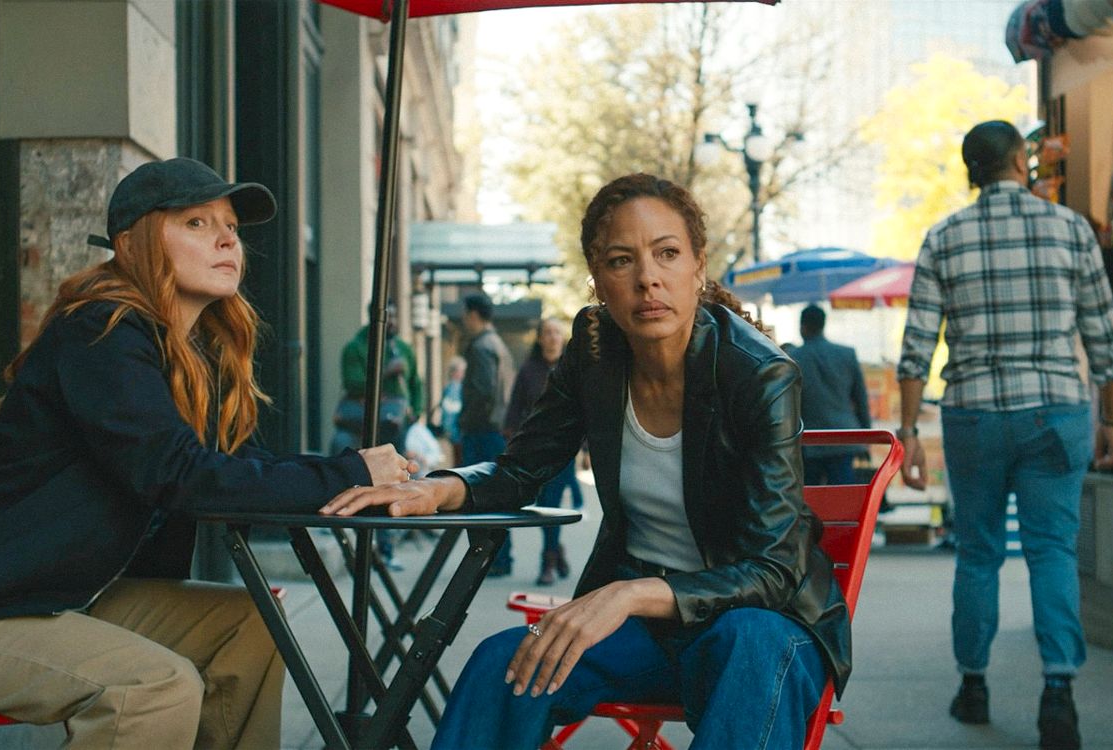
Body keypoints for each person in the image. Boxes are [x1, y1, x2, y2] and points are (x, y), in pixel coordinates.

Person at [0, 158, 412, 749]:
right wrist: (346, 471)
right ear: (134, 243)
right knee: (153, 687)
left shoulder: (192, 358)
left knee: (256, 625)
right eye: (197, 223)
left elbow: (246, 468)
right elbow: (178, 475)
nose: (228, 237)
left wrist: (364, 478)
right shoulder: (100, 334)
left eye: (230, 225)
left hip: (62, 598)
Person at [322, 174, 847, 750]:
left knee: (750, 643)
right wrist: (436, 489)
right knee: (504, 665)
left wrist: (626, 594)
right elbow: (522, 467)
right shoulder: (595, 352)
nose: (648, 277)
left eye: (668, 254)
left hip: (765, 625)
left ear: (698, 267)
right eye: (622, 260)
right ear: (598, 280)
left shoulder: (759, 375)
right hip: (649, 632)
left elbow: (772, 571)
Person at [896, 121, 1113, 750]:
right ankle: (1058, 695)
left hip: (973, 415)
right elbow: (1106, 342)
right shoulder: (1071, 228)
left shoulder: (944, 237)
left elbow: (916, 348)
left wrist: (909, 431)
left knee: (978, 554)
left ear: (972, 171)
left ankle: (973, 684)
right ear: (1022, 162)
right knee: (1053, 551)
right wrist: (1109, 419)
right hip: (1056, 410)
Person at [331, 301, 424, 570]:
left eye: (394, 315)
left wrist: (415, 410)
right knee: (359, 479)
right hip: (359, 427)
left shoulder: (403, 349)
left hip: (393, 427)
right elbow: (353, 382)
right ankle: (359, 545)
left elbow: (416, 382)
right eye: (386, 316)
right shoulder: (355, 347)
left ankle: (386, 547)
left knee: (393, 484)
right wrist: (386, 372)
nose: (391, 321)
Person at [506, 317, 585, 586]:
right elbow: (514, 411)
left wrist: (587, 449)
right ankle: (557, 551)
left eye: (557, 333)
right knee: (543, 506)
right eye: (548, 333)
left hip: (564, 450)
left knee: (551, 504)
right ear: (539, 339)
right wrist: (513, 446)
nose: (552, 338)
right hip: (534, 450)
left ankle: (547, 561)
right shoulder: (528, 370)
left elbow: (587, 411)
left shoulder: (574, 369)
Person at [458, 291, 516, 576]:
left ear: (472, 314)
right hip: (496, 429)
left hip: (482, 431)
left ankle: (487, 560)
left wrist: (464, 420)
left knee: (476, 498)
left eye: (464, 313)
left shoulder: (481, 346)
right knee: (498, 497)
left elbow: (481, 392)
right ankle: (501, 559)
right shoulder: (498, 344)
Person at [791, 304, 871, 486]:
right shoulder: (847, 354)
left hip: (809, 441)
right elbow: (861, 399)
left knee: (811, 499)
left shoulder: (793, 358)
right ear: (823, 325)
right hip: (844, 437)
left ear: (802, 326)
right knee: (842, 494)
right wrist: (866, 434)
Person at [439, 356, 466, 458]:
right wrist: (451, 433)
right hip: (457, 435)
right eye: (462, 371)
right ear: (455, 372)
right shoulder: (454, 389)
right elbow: (450, 413)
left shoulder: (451, 388)